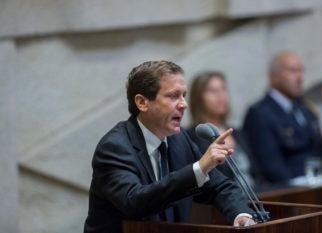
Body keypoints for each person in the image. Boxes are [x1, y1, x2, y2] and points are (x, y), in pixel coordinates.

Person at [83, 61, 256, 233]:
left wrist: (240, 214)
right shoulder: (115, 147)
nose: (184, 104)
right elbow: (134, 202)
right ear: (142, 102)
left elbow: (219, 186)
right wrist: (198, 169)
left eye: (184, 95)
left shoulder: (179, 140)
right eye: (173, 96)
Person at [243, 51, 322, 184]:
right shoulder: (260, 114)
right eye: (293, 71)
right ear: (274, 76)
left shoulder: (306, 109)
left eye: (301, 71)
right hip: (292, 193)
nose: (300, 77)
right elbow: (272, 169)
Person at [187, 71, 256, 187]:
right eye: (212, 91)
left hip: (258, 197)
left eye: (223, 89)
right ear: (198, 98)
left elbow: (256, 173)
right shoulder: (192, 137)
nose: (220, 95)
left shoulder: (238, 132)